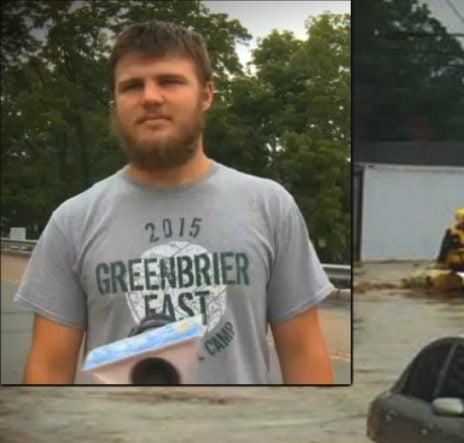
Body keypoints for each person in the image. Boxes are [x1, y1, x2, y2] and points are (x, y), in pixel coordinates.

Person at [15, 21, 334, 384]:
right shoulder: (72, 220)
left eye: (169, 81)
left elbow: (304, 351)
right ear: (116, 102)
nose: (150, 97)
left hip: (243, 437)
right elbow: (48, 367)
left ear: (207, 94)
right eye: (132, 85)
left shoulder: (269, 206)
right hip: (114, 439)